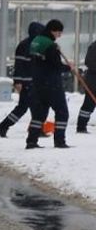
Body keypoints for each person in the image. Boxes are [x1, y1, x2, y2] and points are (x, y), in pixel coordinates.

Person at [0, 22, 45, 138]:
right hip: (27, 82)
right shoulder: (25, 45)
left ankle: (36, 129)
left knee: (36, 107)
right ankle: (3, 126)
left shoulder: (36, 45)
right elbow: (19, 64)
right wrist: (18, 81)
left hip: (34, 81)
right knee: (24, 107)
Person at [27, 19, 70, 150]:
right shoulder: (50, 45)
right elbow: (56, 66)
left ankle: (31, 141)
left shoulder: (36, 41)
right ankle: (59, 141)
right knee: (62, 112)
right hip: (52, 83)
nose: (60, 35)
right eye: (59, 32)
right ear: (53, 30)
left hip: (38, 82)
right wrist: (69, 68)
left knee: (39, 113)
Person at [78, 39, 96, 134]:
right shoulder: (94, 47)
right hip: (93, 81)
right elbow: (89, 62)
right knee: (89, 105)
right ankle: (81, 126)